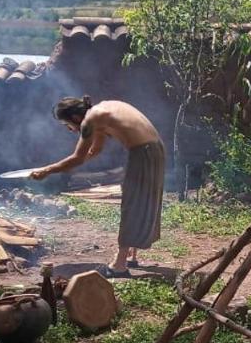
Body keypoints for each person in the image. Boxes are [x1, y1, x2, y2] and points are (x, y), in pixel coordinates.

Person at [33, 97, 165, 278]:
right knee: (141, 199)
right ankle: (132, 255)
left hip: (143, 153)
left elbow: (77, 157)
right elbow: (95, 150)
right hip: (154, 149)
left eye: (67, 125)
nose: (69, 130)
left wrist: (46, 170)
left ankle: (119, 266)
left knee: (132, 203)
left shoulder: (89, 121)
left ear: (76, 117)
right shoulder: (101, 111)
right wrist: (64, 166)